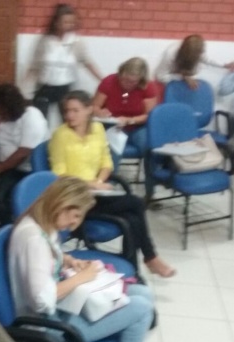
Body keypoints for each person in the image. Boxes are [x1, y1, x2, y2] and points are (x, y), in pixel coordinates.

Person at [8, 176, 154, 342]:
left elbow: (46, 256)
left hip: (59, 308)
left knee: (142, 293)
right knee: (141, 308)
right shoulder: (33, 239)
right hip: (48, 326)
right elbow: (40, 301)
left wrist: (68, 260)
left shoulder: (39, 222)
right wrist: (81, 279)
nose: (74, 224)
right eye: (75, 215)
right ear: (61, 204)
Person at [49, 90, 175, 278]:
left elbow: (106, 163)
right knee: (136, 203)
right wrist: (92, 184)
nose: (70, 115)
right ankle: (150, 258)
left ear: (89, 110)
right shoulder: (60, 135)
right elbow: (59, 175)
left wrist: (99, 181)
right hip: (75, 200)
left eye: (75, 110)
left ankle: (139, 267)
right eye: (67, 111)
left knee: (132, 220)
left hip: (97, 194)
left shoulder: (97, 129)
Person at [92, 57, 157, 198]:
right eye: (124, 79)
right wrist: (100, 112)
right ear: (121, 73)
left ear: (140, 80)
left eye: (132, 82)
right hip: (112, 126)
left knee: (150, 148)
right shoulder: (109, 82)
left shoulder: (148, 87)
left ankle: (150, 191)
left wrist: (130, 120)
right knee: (111, 151)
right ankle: (106, 190)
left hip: (137, 127)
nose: (127, 84)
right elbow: (94, 107)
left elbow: (149, 115)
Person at [0, 83, 48, 227]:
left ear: (10, 108)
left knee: (10, 196)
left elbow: (23, 153)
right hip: (7, 168)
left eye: (0, 111)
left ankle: (19, 229)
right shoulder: (1, 119)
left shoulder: (32, 117)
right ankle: (4, 229)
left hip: (28, 170)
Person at [24, 3, 102, 119]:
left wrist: (102, 80)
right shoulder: (44, 41)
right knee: (39, 119)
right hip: (44, 86)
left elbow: (87, 62)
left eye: (71, 22)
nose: (69, 25)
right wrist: (24, 89)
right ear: (56, 22)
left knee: (69, 119)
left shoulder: (77, 42)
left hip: (65, 88)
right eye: (65, 22)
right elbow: (34, 67)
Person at [154, 34, 234, 89]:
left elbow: (206, 60)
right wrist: (182, 78)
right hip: (169, 84)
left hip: (183, 79)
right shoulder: (171, 54)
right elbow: (160, 76)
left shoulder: (196, 51)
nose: (200, 56)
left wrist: (225, 65)